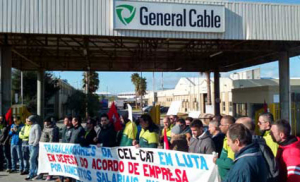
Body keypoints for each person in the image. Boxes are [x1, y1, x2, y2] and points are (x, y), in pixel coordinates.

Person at [236, 116, 279, 182]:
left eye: (236, 128)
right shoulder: (257, 143)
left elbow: (273, 168)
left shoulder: (259, 146)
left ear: (244, 130)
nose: (233, 131)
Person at [213, 115, 235, 181]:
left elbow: (230, 162)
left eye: (221, 125)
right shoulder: (225, 138)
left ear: (228, 126)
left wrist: (216, 160)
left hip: (229, 178)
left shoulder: (232, 140)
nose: (219, 126)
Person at [56, 116, 73, 182]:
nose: (64, 122)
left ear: (70, 121)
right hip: (63, 149)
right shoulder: (64, 128)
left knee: (69, 164)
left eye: (66, 120)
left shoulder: (72, 129)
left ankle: (69, 178)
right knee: (61, 163)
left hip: (69, 149)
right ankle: (61, 178)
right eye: (64, 120)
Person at [25, 115, 41, 181]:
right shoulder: (32, 126)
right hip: (30, 145)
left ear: (32, 120)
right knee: (33, 160)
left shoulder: (36, 126)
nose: (28, 122)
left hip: (34, 145)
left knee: (31, 159)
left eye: (29, 121)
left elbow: (38, 136)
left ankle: (31, 173)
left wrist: (34, 144)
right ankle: (35, 172)